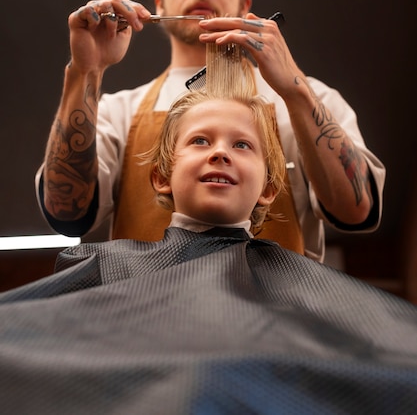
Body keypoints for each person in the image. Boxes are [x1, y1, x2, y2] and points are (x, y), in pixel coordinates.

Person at [3, 88, 417, 414]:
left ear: (269, 189)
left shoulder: (304, 282)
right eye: (200, 140)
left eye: (242, 146)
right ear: (162, 177)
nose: (220, 151)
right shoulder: (108, 264)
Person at [35, 0, 385, 261]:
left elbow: (355, 211)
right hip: (145, 316)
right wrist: (86, 72)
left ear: (243, 3)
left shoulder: (312, 97)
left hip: (275, 320)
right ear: (159, 2)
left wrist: (295, 90)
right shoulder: (118, 112)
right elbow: (67, 212)